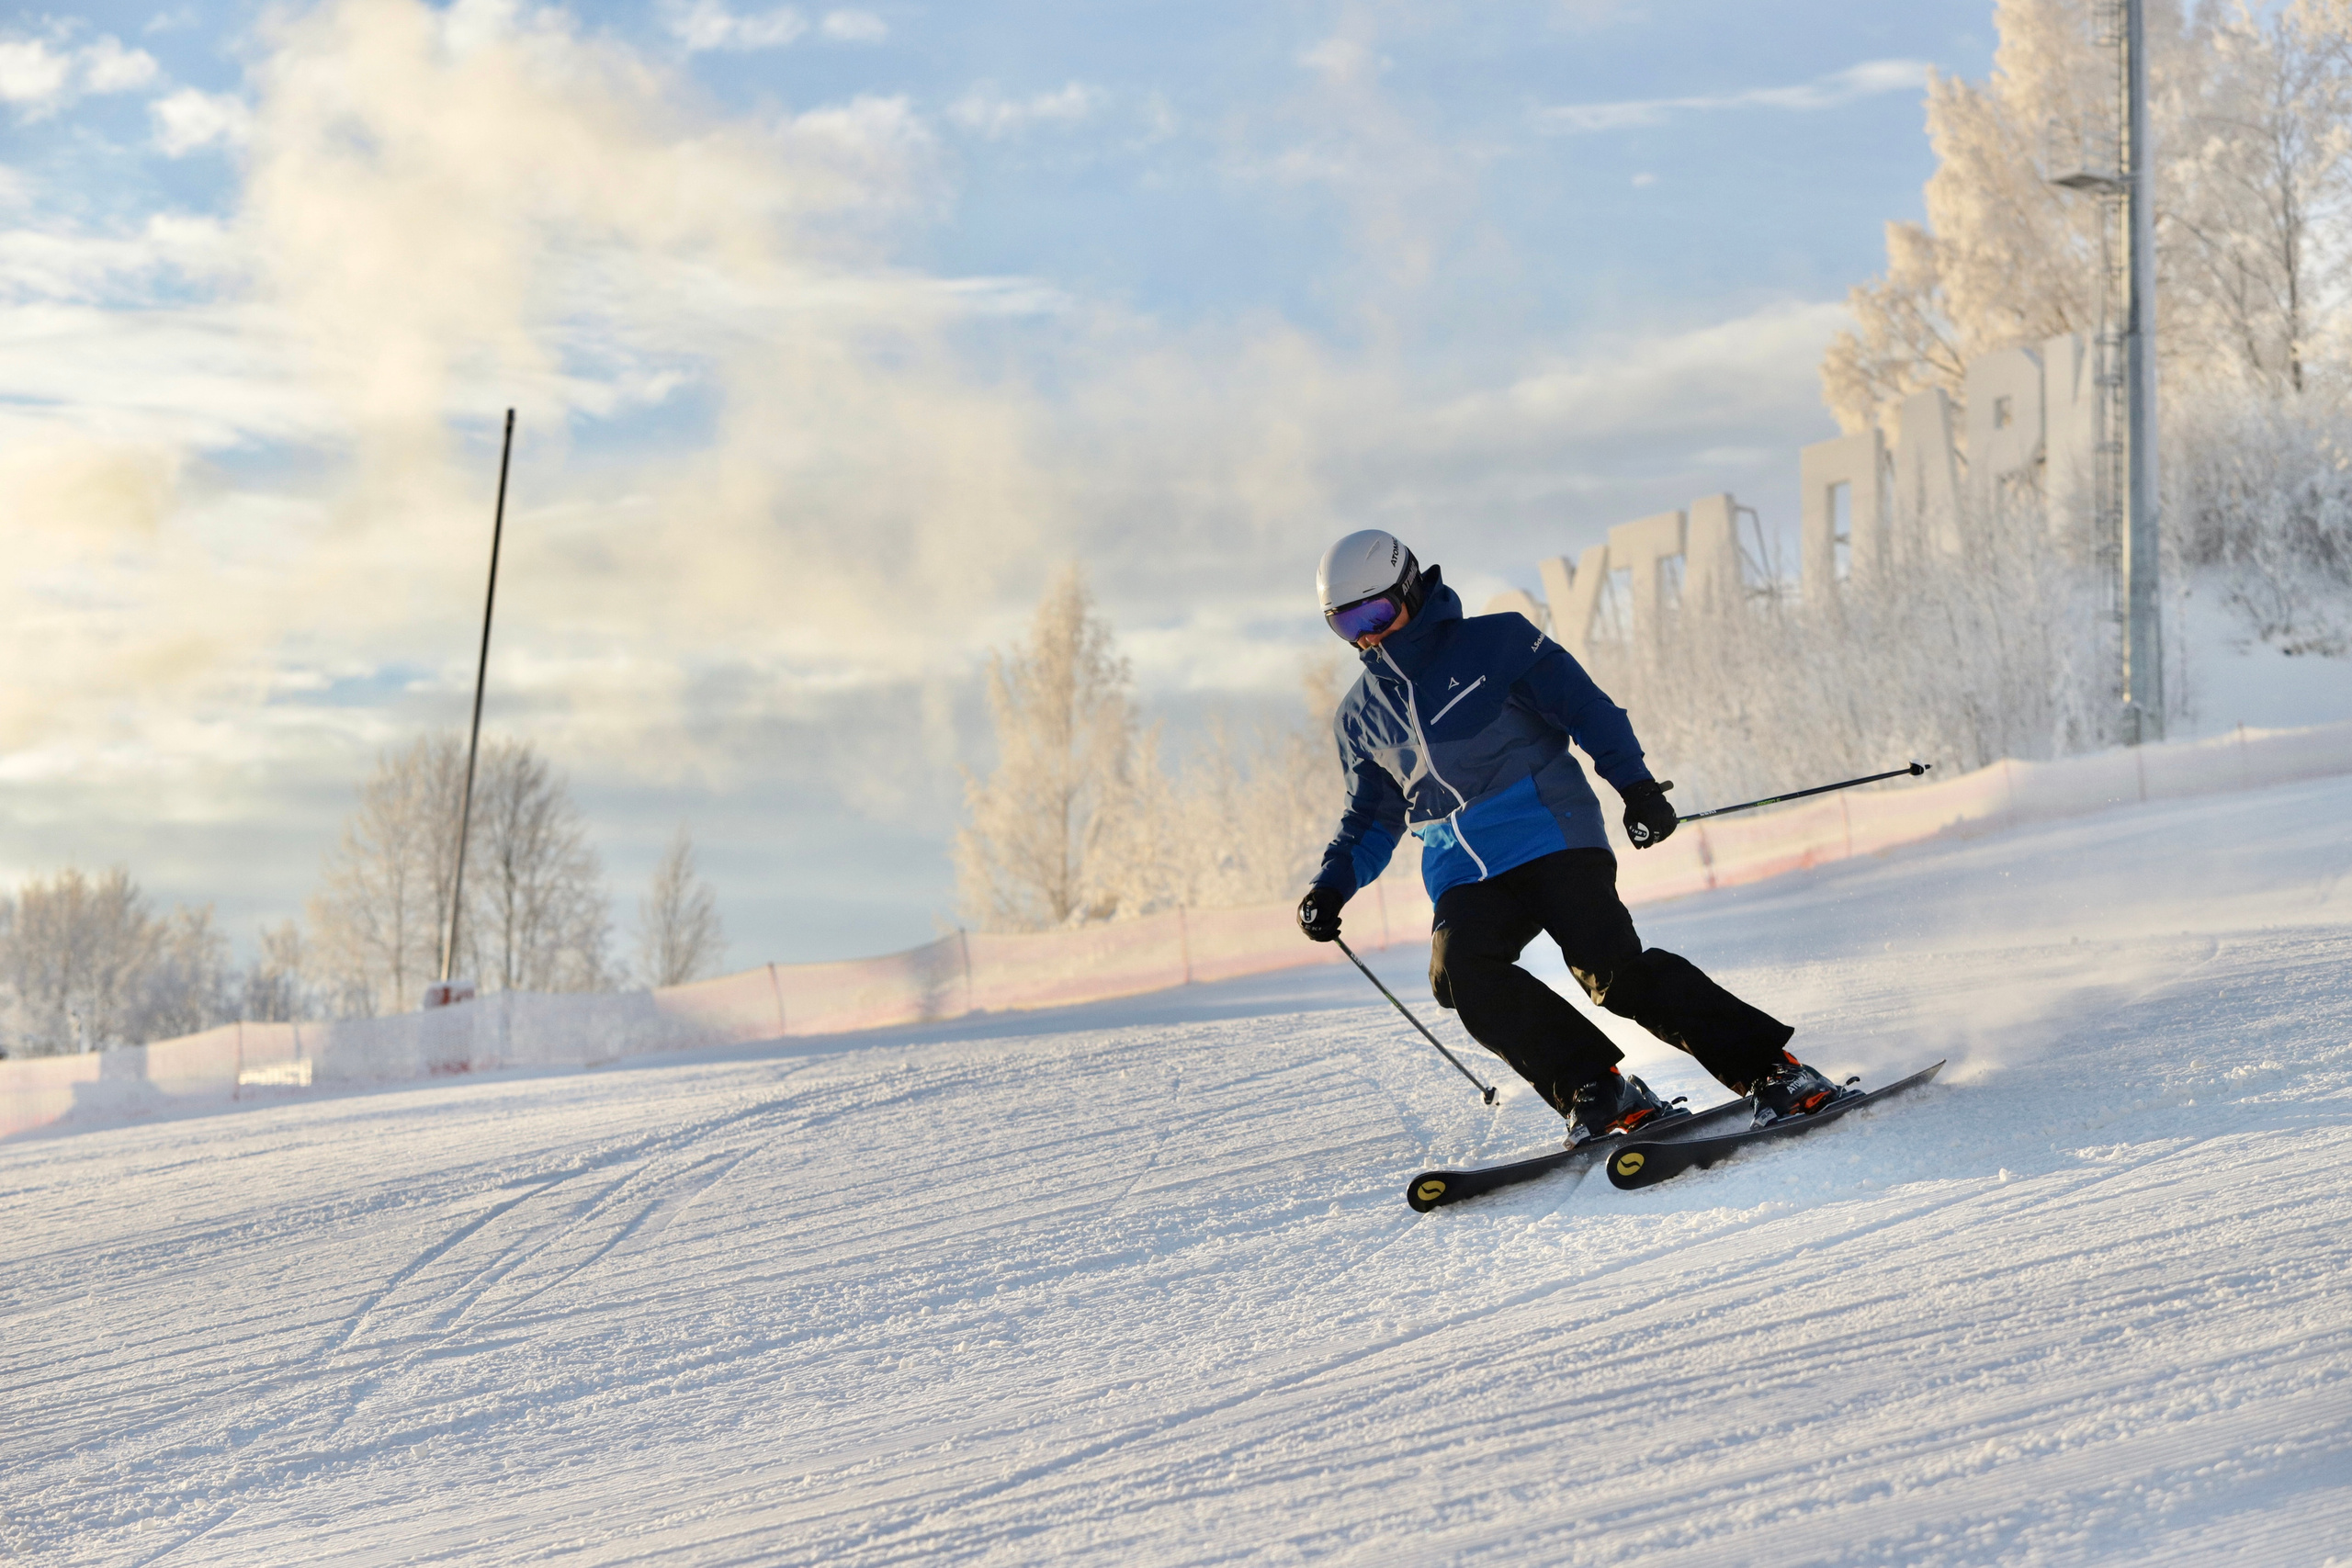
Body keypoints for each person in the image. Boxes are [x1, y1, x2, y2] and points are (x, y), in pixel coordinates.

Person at [1295, 528, 1843, 1144]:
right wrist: (1331, 884)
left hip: (1547, 831)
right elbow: (1369, 817)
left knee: (1610, 969)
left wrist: (1635, 785)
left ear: (1410, 590)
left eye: (1375, 612)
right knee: (1461, 972)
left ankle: (1771, 1070)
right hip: (1461, 868)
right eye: (1346, 624)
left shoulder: (1496, 643)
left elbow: (1585, 707)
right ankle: (1595, 1085)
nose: (1367, 634)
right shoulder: (1360, 715)